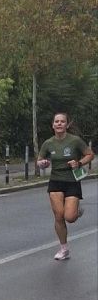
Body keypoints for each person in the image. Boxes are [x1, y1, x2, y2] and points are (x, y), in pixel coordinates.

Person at [37, 111, 94, 260]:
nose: (59, 124)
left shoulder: (75, 141)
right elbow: (40, 160)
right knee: (59, 216)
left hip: (72, 180)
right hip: (56, 181)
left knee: (69, 217)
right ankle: (64, 249)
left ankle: (76, 210)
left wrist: (79, 163)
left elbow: (90, 154)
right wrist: (42, 163)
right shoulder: (48, 143)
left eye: (62, 121)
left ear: (67, 125)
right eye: (57, 122)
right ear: (53, 125)